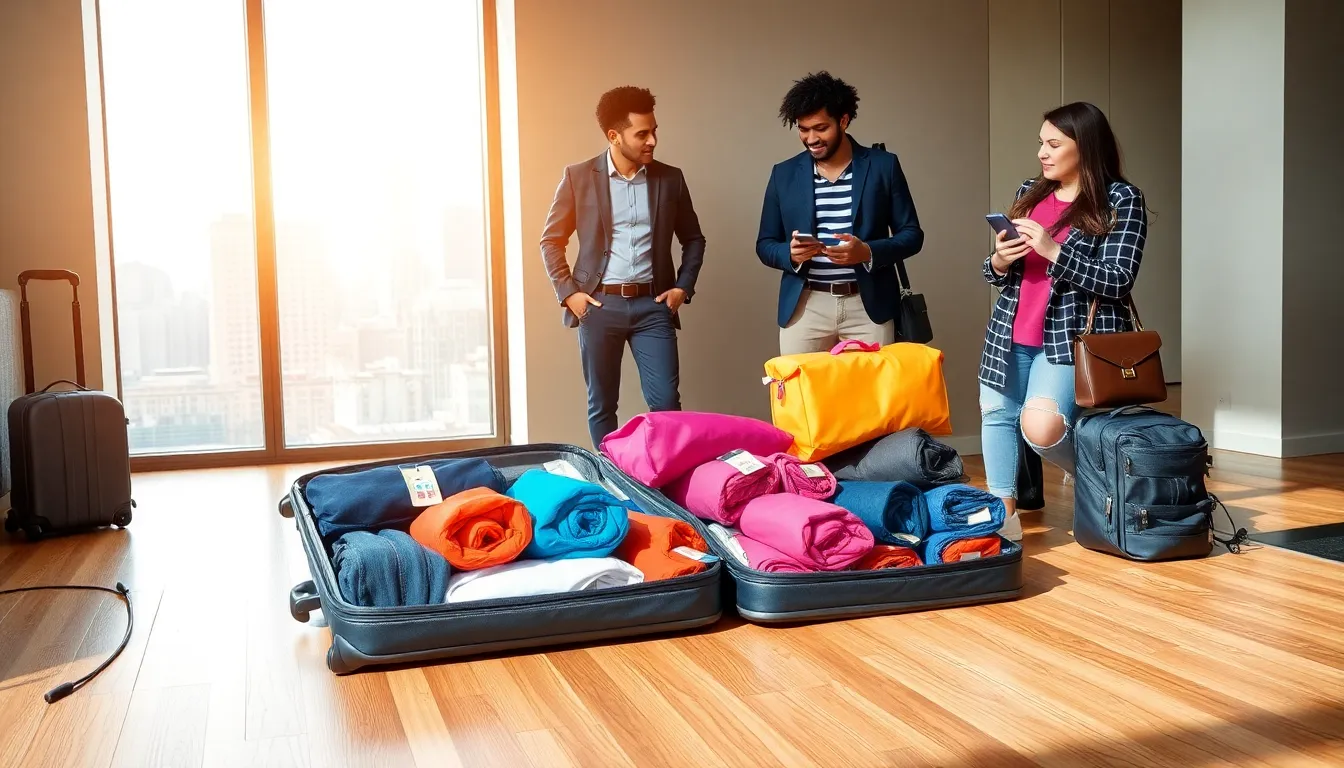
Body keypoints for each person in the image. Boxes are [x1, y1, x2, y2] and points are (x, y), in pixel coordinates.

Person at [979, 101, 1148, 540]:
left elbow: (1118, 278)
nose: (1042, 152)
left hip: (1072, 336)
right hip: (1010, 330)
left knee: (1042, 427)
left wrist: (1055, 251)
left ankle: (1111, 480)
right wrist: (999, 260)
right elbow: (999, 274)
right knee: (997, 415)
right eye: (1041, 143)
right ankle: (1005, 521)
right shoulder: (1030, 191)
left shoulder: (1121, 199)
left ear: (1085, 148)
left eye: (1054, 143)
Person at [539, 86, 707, 449]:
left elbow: (694, 238)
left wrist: (683, 287)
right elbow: (551, 241)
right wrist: (570, 295)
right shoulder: (579, 177)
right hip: (599, 307)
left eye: (654, 131)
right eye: (642, 134)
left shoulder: (670, 179)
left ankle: (666, 487)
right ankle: (612, 482)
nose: (652, 141)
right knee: (602, 406)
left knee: (666, 405)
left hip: (652, 306)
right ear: (614, 136)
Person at [756, 71, 924, 355]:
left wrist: (867, 252)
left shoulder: (883, 167)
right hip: (805, 306)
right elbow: (765, 244)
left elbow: (912, 235)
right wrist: (791, 254)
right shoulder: (783, 174)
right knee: (802, 398)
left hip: (868, 307)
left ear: (843, 121)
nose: (811, 138)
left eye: (820, 128)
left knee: (871, 398)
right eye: (803, 129)